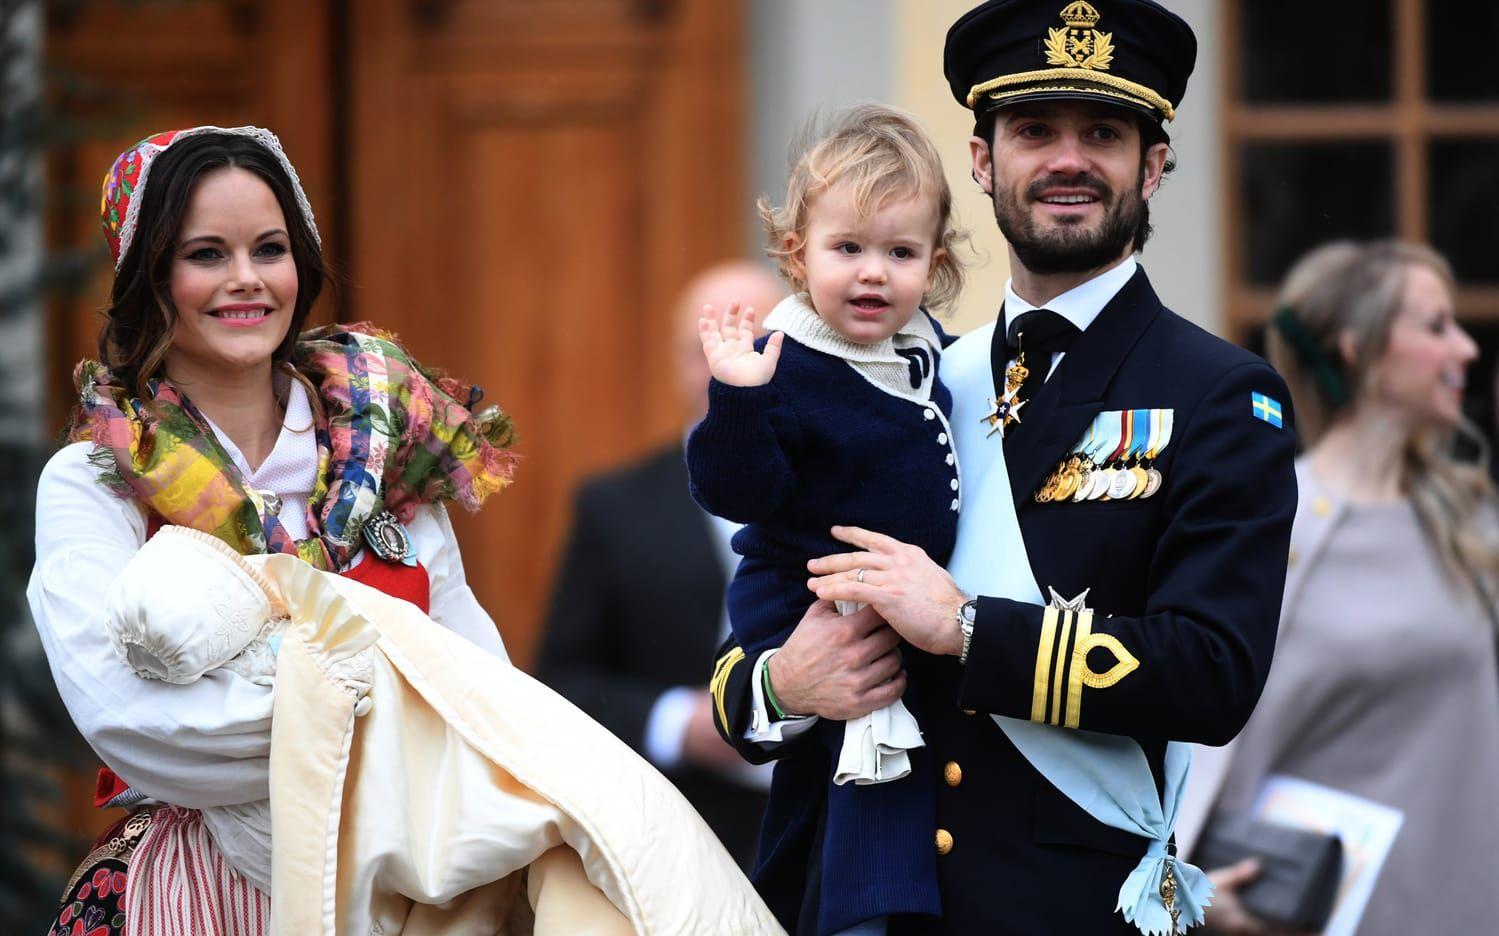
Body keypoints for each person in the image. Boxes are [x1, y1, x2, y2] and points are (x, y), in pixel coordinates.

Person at [30, 126, 778, 935]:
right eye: (206, 253)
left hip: (410, 895)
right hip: (207, 892)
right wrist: (402, 719)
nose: (246, 280)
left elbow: (480, 691)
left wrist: (338, 711)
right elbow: (138, 725)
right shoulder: (98, 479)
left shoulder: (382, 450)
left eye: (270, 248)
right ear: (150, 276)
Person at [707, 2, 1299, 933]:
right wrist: (784, 684)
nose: (1066, 160)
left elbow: (1214, 671)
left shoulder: (1221, 393)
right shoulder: (918, 374)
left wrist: (968, 627)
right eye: (1033, 131)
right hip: (857, 888)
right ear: (982, 162)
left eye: (1102, 132)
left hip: (1059, 907)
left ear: (1151, 164)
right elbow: (765, 597)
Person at [687, 104, 966, 934]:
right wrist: (737, 396)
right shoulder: (788, 358)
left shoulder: (936, 352)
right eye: (847, 249)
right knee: (840, 828)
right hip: (801, 599)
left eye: (900, 252)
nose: (872, 273)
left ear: (935, 263)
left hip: (911, 622)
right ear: (795, 254)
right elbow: (734, 486)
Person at [1177, 241, 1499, 936]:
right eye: (1436, 326)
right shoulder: (1272, 518)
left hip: (1462, 902)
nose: (1466, 350)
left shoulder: (1469, 526)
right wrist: (1189, 892)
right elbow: (1200, 728)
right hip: (1307, 912)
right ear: (1359, 348)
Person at [535, 259, 783, 867]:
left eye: (756, 344)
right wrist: (681, 725)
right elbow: (560, 683)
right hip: (681, 838)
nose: (731, 367)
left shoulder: (847, 490)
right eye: (707, 348)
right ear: (677, 365)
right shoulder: (614, 507)